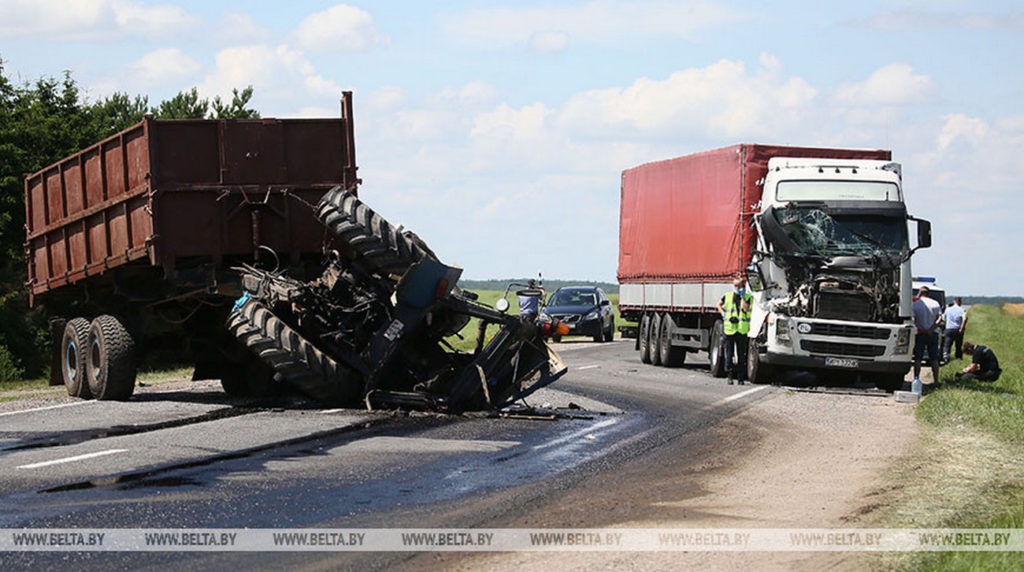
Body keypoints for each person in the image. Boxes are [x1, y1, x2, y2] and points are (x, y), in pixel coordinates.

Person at [716, 277, 753, 385]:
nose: (737, 288)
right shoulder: (728, 296)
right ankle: (730, 376)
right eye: (736, 285)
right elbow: (719, 304)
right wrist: (723, 314)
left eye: (739, 286)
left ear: (743, 286)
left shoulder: (748, 298)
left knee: (741, 355)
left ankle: (740, 378)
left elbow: (746, 309)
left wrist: (742, 297)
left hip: (741, 330)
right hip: (729, 329)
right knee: (729, 354)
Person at [912, 286, 942, 387]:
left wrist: (922, 329)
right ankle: (936, 380)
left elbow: (914, 320)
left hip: (920, 333)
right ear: (928, 293)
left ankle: (916, 378)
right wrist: (931, 329)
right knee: (934, 358)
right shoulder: (936, 303)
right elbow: (939, 319)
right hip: (933, 333)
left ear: (920, 293)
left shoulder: (915, 305)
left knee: (918, 358)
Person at [941, 297, 968, 363]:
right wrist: (962, 328)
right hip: (958, 329)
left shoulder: (948, 309)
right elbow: (964, 319)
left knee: (947, 344)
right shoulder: (963, 310)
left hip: (949, 329)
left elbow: (943, 319)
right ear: (960, 302)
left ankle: (946, 357)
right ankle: (958, 359)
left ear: (954, 301)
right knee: (958, 346)